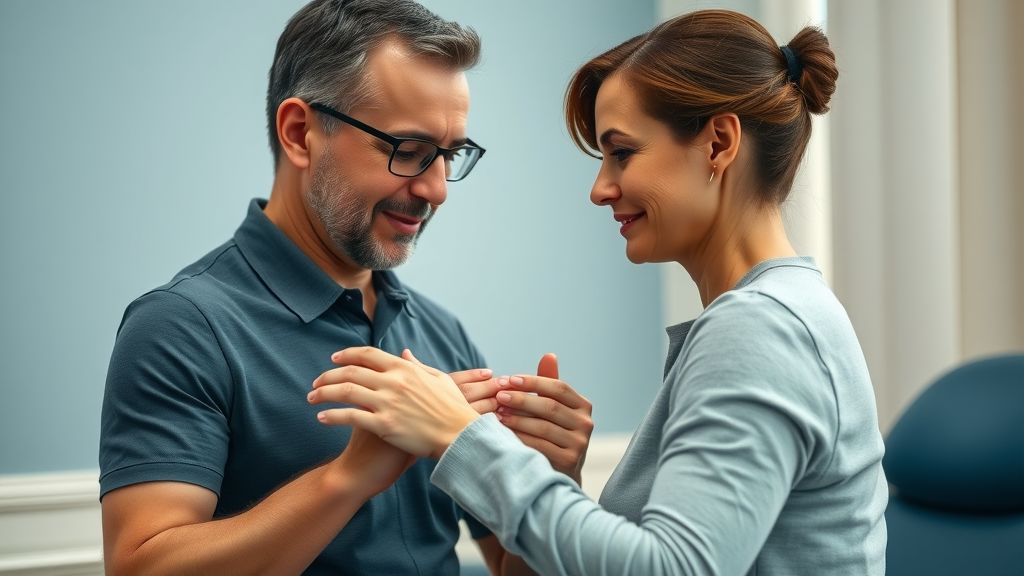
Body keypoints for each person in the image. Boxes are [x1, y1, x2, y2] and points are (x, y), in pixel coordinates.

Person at [309, 9, 888, 576]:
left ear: (718, 143)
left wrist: (459, 436)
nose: (600, 188)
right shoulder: (785, 314)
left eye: (623, 153)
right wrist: (555, 475)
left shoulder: (760, 329)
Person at [98, 1, 588, 574]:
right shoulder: (180, 327)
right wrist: (348, 478)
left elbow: (511, 566)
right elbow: (140, 568)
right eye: (408, 151)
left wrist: (554, 478)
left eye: (449, 155)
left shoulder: (441, 333)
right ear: (300, 133)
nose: (437, 190)